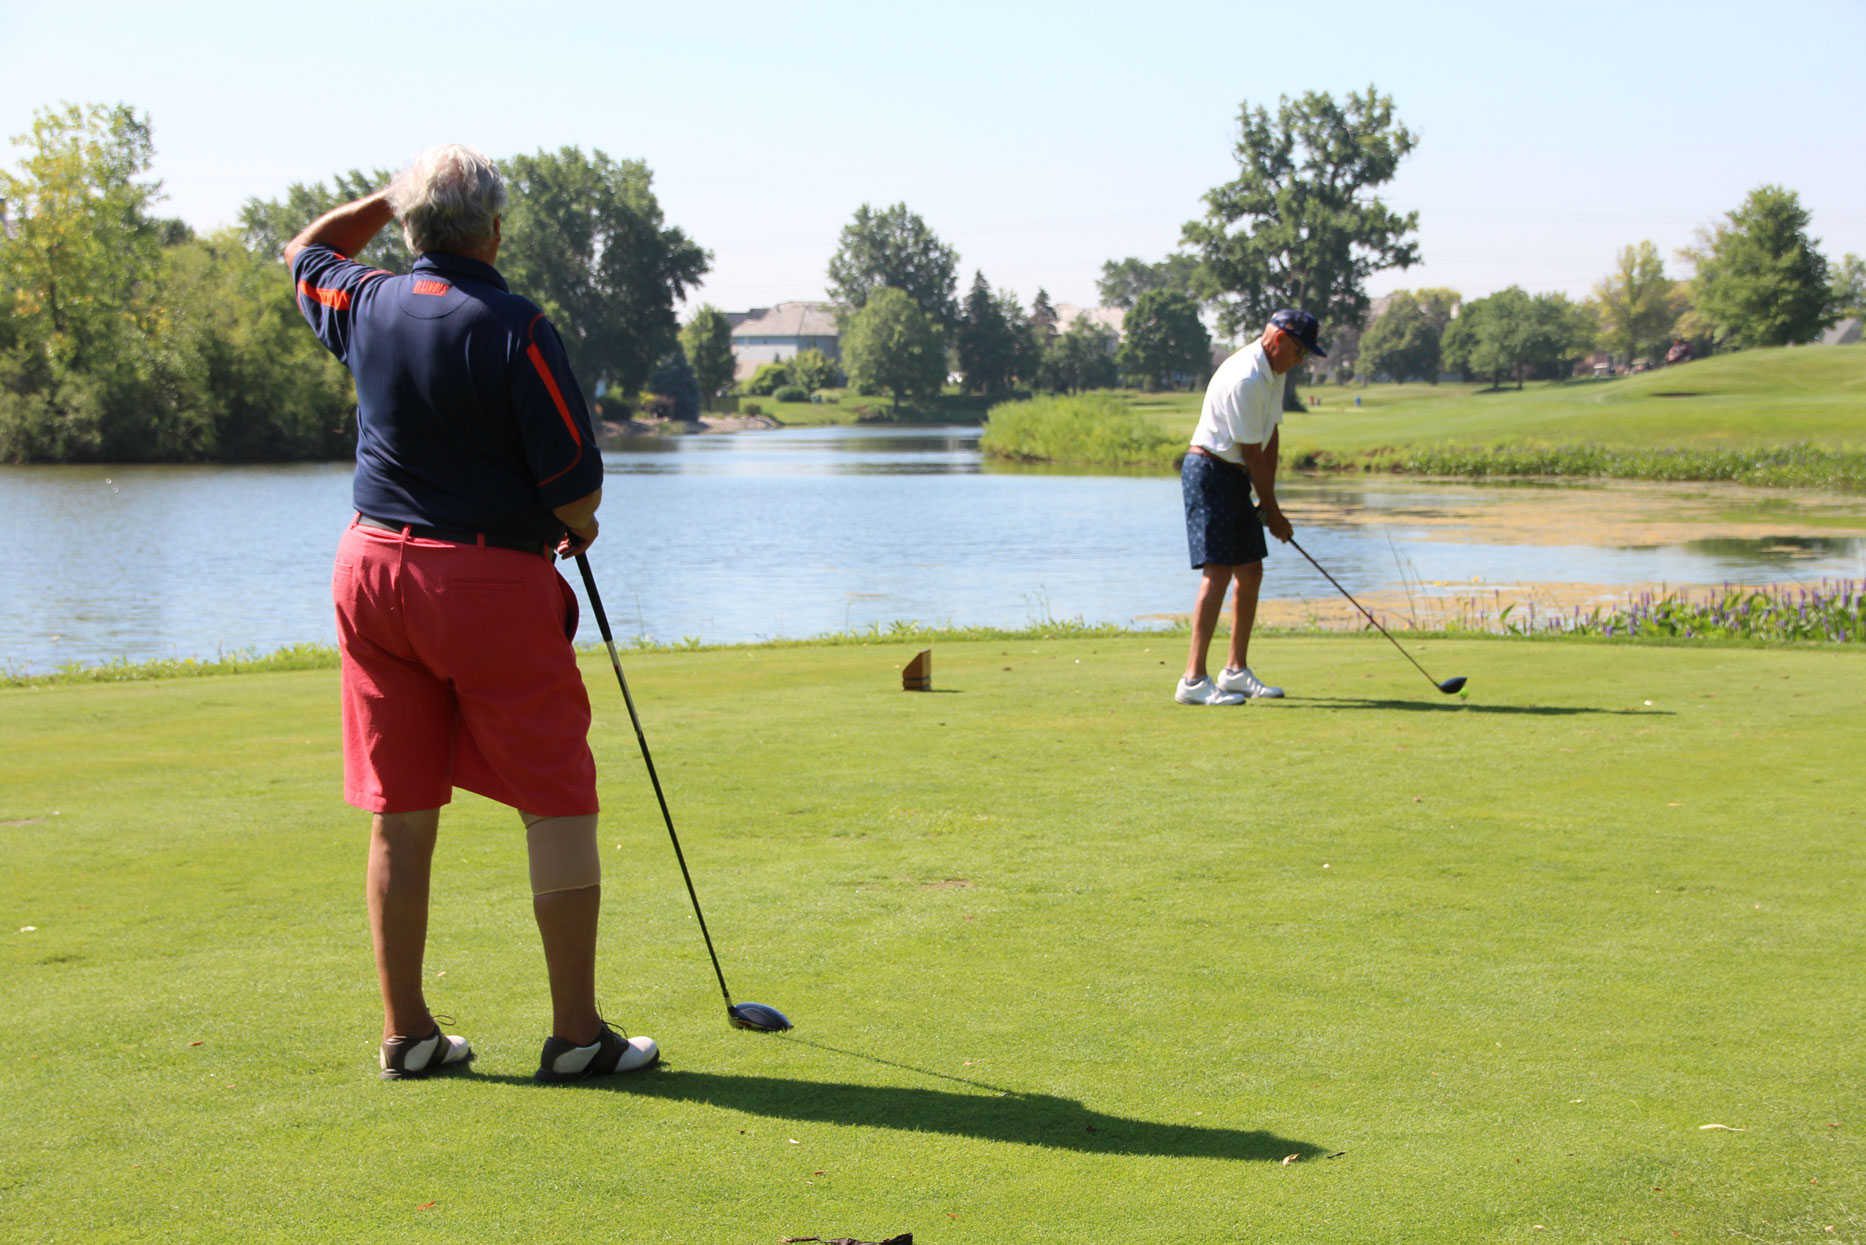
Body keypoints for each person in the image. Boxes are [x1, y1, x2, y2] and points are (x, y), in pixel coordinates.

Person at [286, 145, 658, 1083]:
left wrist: (392, 195)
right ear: (493, 230)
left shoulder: (364, 299)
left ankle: (408, 1034)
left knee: (400, 810)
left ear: (411, 225)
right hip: (486, 583)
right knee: (556, 797)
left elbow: (303, 249)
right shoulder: (516, 326)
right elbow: (574, 491)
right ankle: (577, 1036)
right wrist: (579, 527)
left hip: (372, 571)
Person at [1175, 308, 1327, 706]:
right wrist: (1273, 514)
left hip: (1235, 473)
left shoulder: (1273, 371)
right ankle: (1193, 680)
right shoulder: (1246, 377)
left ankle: (1235, 671)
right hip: (1210, 471)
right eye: (1300, 352)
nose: (1301, 361)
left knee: (1250, 570)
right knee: (1218, 571)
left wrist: (1267, 499)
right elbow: (1251, 453)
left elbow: (1270, 436)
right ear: (1279, 340)